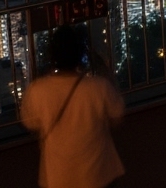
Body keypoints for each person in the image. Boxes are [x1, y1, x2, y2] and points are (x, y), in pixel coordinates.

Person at [22, 26, 126, 188]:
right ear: (80, 54)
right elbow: (117, 115)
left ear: (52, 56)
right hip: (99, 176)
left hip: (58, 178)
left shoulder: (37, 91)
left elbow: (31, 123)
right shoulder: (99, 88)